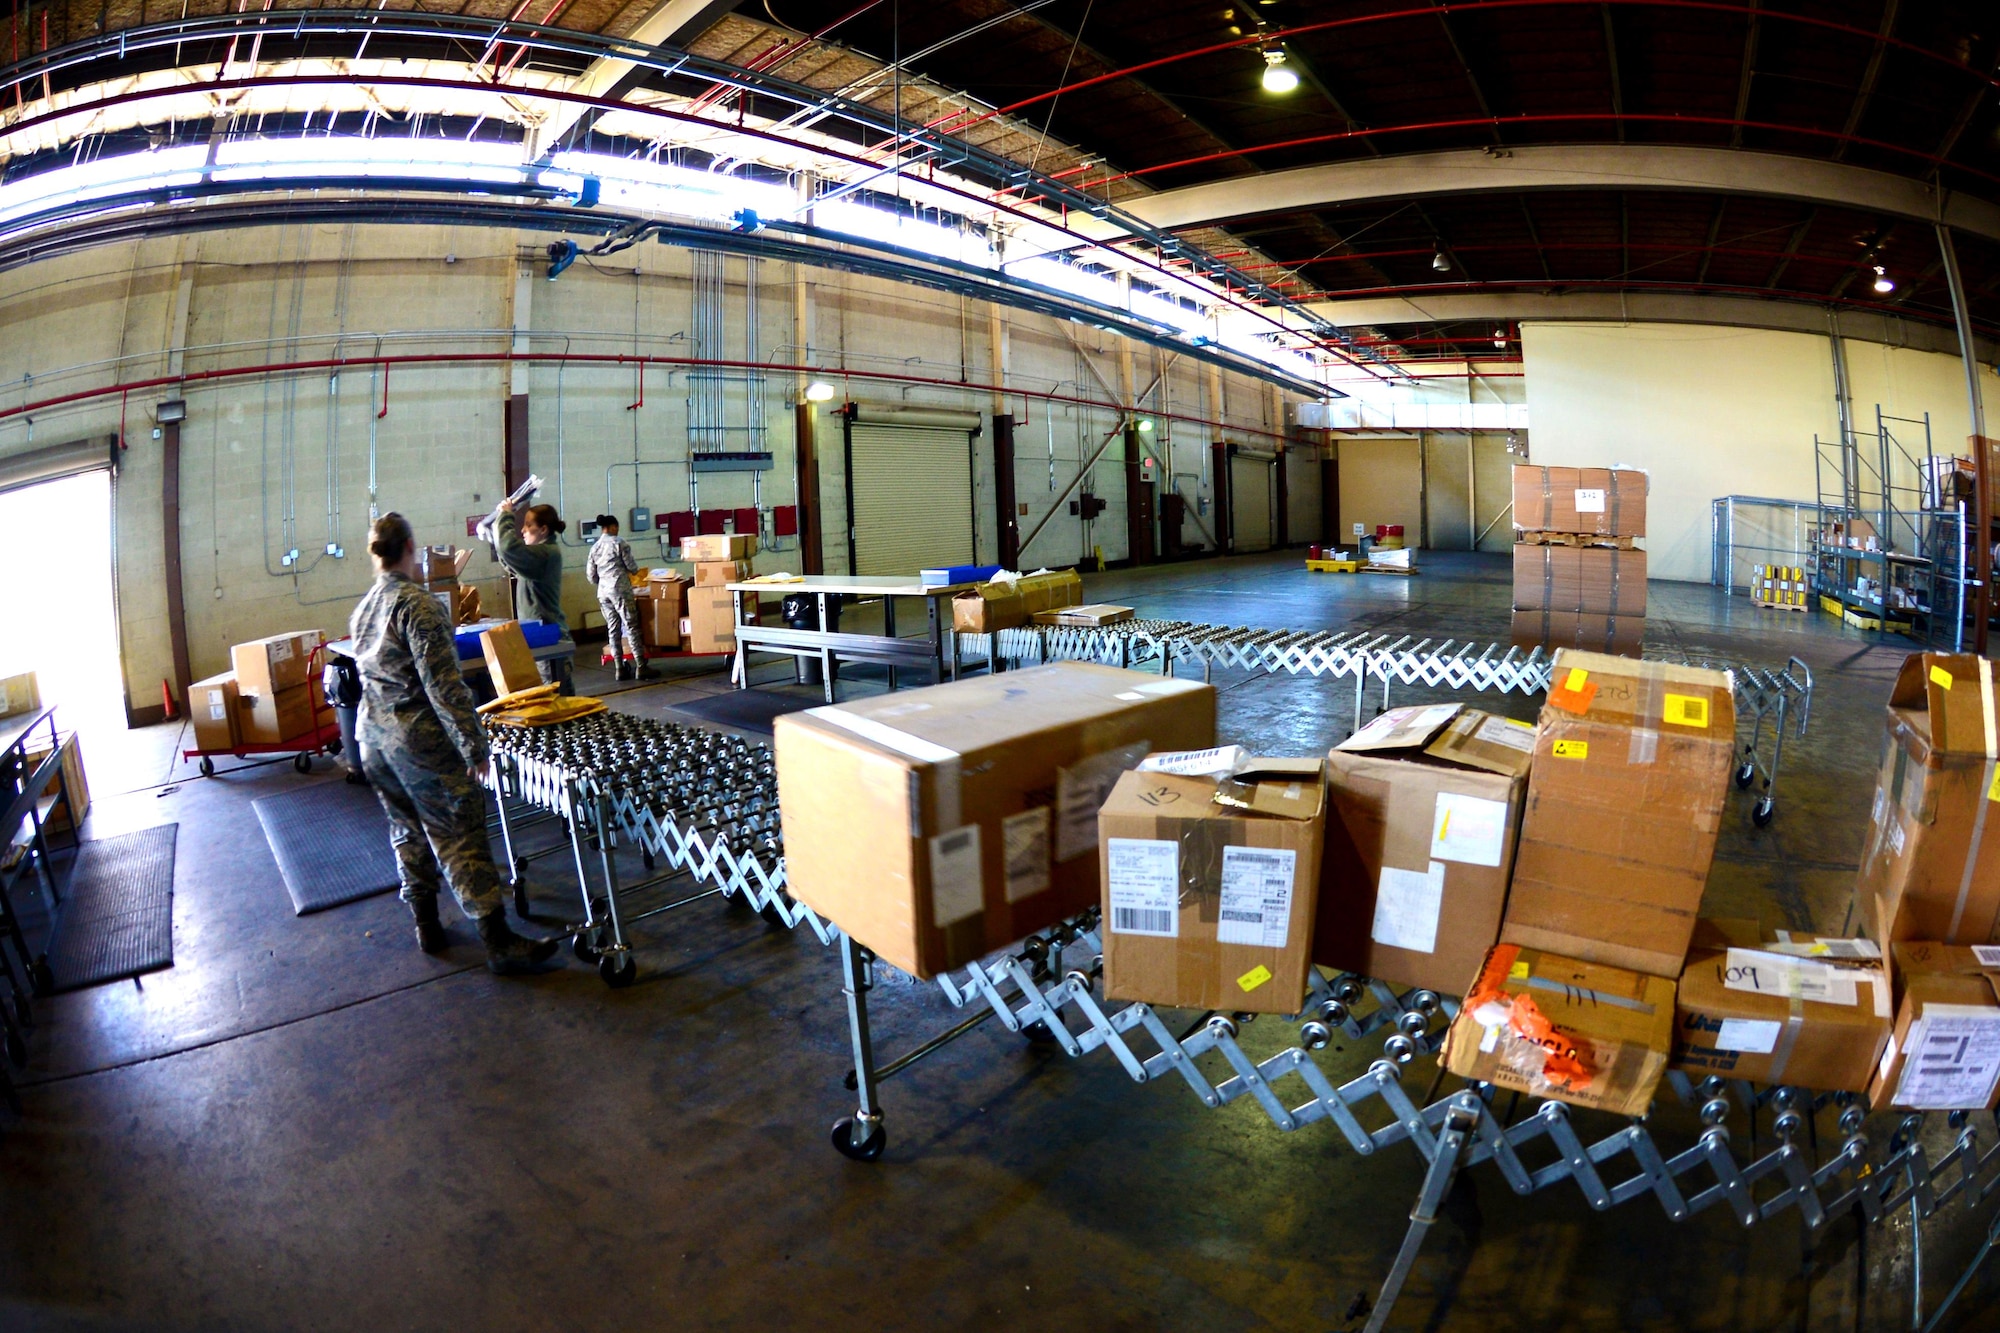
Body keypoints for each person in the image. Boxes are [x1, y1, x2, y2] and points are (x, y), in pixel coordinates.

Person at [349, 512, 558, 975]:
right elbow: (443, 687)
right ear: (409, 548)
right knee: (459, 829)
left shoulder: (364, 607)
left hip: (374, 742)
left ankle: (426, 923)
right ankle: (498, 940)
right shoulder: (418, 605)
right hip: (417, 741)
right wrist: (473, 747)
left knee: (406, 829)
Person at [490, 499, 575, 696]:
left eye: (528, 525)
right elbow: (511, 561)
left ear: (543, 530)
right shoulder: (540, 556)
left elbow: (509, 549)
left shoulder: (546, 554)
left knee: (557, 701)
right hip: (539, 637)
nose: (523, 530)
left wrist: (505, 515)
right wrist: (495, 535)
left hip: (550, 638)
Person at [586, 515, 657, 682]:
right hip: (620, 590)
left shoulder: (594, 547)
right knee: (631, 626)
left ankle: (619, 669)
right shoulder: (619, 543)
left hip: (603, 593)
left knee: (613, 629)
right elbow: (632, 568)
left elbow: (590, 576)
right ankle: (641, 666)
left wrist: (603, 581)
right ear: (611, 527)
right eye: (616, 527)